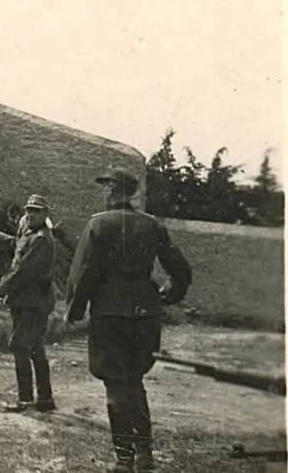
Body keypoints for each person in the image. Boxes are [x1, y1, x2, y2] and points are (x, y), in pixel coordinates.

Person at [66, 169, 192, 472]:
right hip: (146, 312)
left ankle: (124, 460)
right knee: (135, 380)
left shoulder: (98, 223)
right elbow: (181, 270)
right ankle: (145, 452)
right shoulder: (153, 225)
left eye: (106, 186)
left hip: (110, 313)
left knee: (115, 385)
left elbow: (83, 272)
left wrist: (75, 309)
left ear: (112, 189)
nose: (104, 192)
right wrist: (169, 294)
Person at [0, 194, 57, 414]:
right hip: (28, 300)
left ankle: (25, 399)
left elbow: (23, 270)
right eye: (29, 210)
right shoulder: (32, 234)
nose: (30, 214)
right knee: (34, 346)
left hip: (31, 301)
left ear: (45, 214)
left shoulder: (42, 239)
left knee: (20, 345)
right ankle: (44, 399)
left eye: (36, 210)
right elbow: (17, 244)